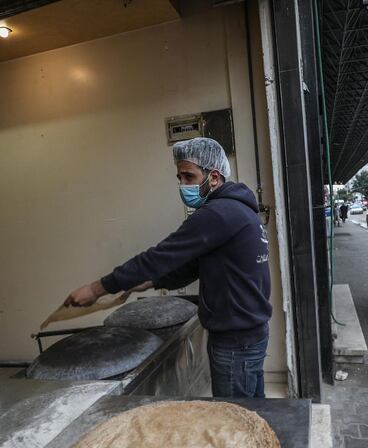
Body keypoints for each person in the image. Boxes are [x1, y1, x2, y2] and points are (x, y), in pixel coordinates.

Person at [64, 137, 272, 397]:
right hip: (249, 332)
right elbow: (194, 266)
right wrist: (153, 282)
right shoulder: (240, 211)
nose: (182, 185)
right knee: (255, 409)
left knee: (234, 420)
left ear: (214, 177)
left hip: (235, 339)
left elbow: (160, 256)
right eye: (179, 178)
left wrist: (98, 288)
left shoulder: (217, 214)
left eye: (188, 176)